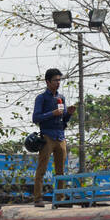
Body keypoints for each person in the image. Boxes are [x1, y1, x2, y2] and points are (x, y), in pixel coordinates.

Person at [31, 68, 74, 206]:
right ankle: (38, 198)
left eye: (59, 80)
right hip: (47, 135)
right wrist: (52, 113)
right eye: (55, 80)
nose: (58, 82)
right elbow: (36, 118)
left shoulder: (61, 97)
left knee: (61, 170)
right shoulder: (41, 98)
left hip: (60, 136)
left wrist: (69, 113)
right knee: (42, 168)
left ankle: (60, 198)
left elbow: (63, 118)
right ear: (48, 81)